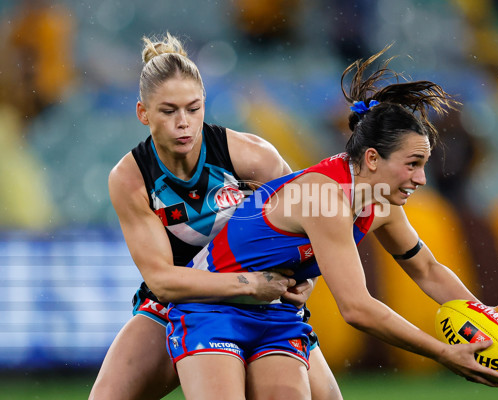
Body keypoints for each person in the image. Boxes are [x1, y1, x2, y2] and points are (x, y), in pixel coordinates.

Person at [166, 47, 498, 399]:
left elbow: (427, 269)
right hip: (213, 307)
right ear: (372, 158)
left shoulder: (378, 198)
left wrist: (481, 316)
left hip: (277, 314)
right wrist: (443, 353)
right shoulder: (326, 200)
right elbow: (357, 308)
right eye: (413, 163)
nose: (421, 178)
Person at [89, 33, 342, 400]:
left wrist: (307, 283)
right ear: (143, 113)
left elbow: (313, 226)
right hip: (181, 300)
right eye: (168, 110)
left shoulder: (253, 156)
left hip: (264, 305)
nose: (184, 123)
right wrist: (250, 285)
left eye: (193, 109)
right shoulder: (130, 179)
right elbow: (163, 281)